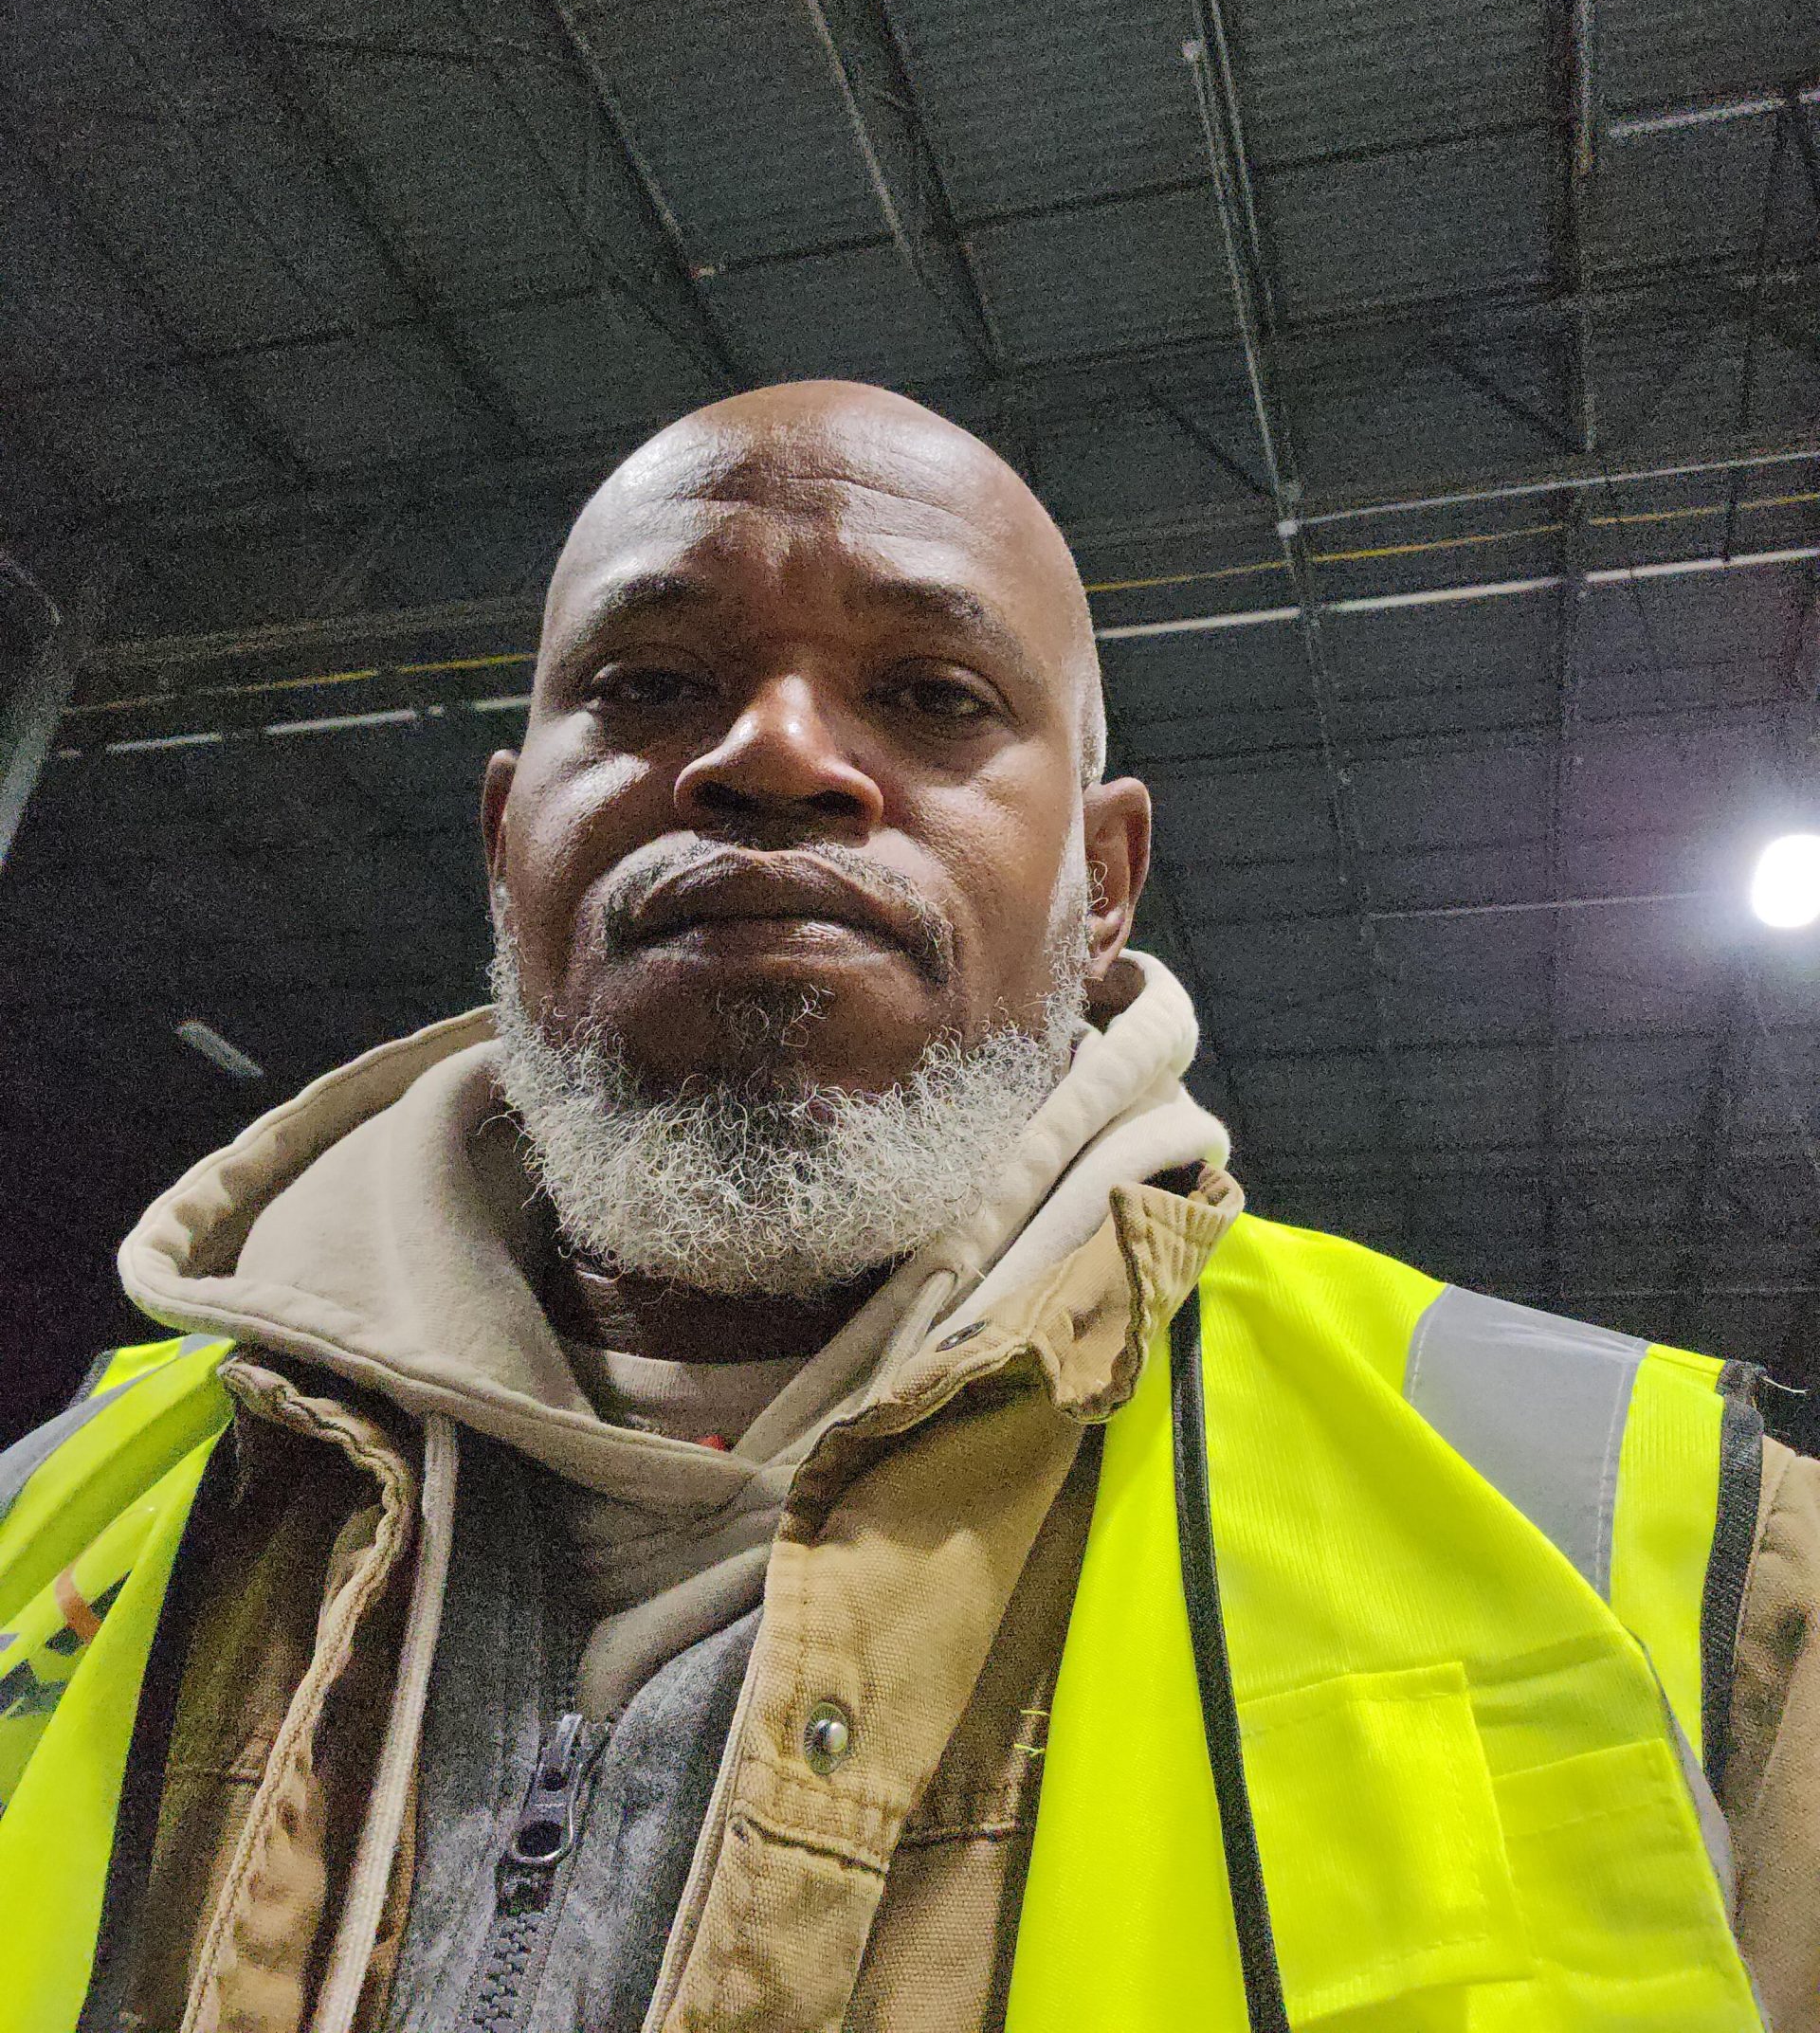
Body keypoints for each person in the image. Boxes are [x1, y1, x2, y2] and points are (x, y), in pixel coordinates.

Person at [3, 379, 1817, 2033]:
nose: (774, 755)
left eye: (935, 696)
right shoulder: (66, 1516)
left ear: (1104, 882)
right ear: (504, 843)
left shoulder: (1686, 1568)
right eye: (650, 685)